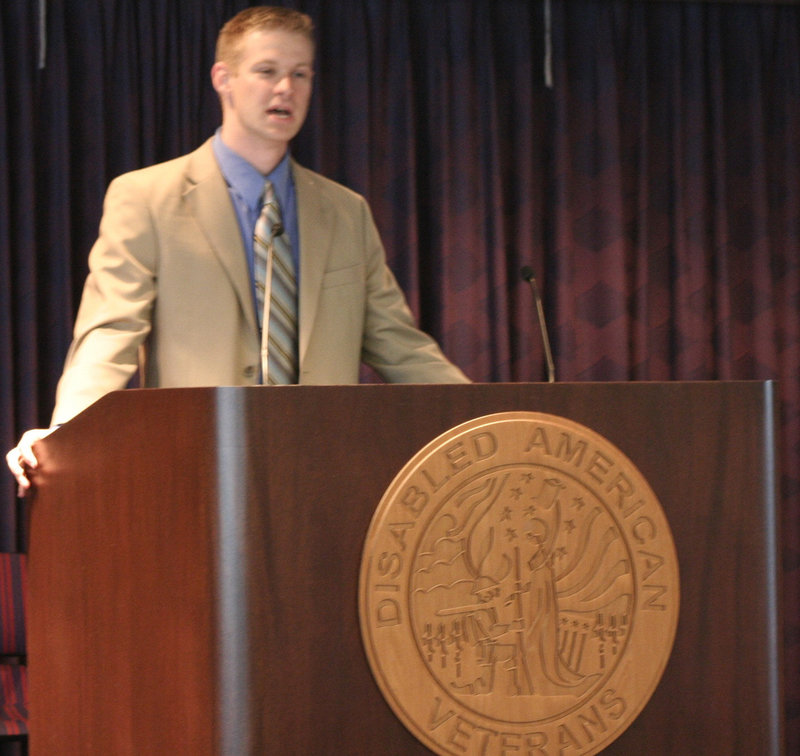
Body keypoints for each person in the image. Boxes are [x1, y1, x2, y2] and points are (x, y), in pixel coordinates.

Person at [6, 6, 469, 494]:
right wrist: (64, 436)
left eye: (300, 74)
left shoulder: (345, 211)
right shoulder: (146, 198)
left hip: (322, 478)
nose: (285, 88)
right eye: (267, 71)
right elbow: (109, 336)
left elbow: (402, 346)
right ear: (223, 78)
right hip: (198, 474)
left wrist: (499, 418)